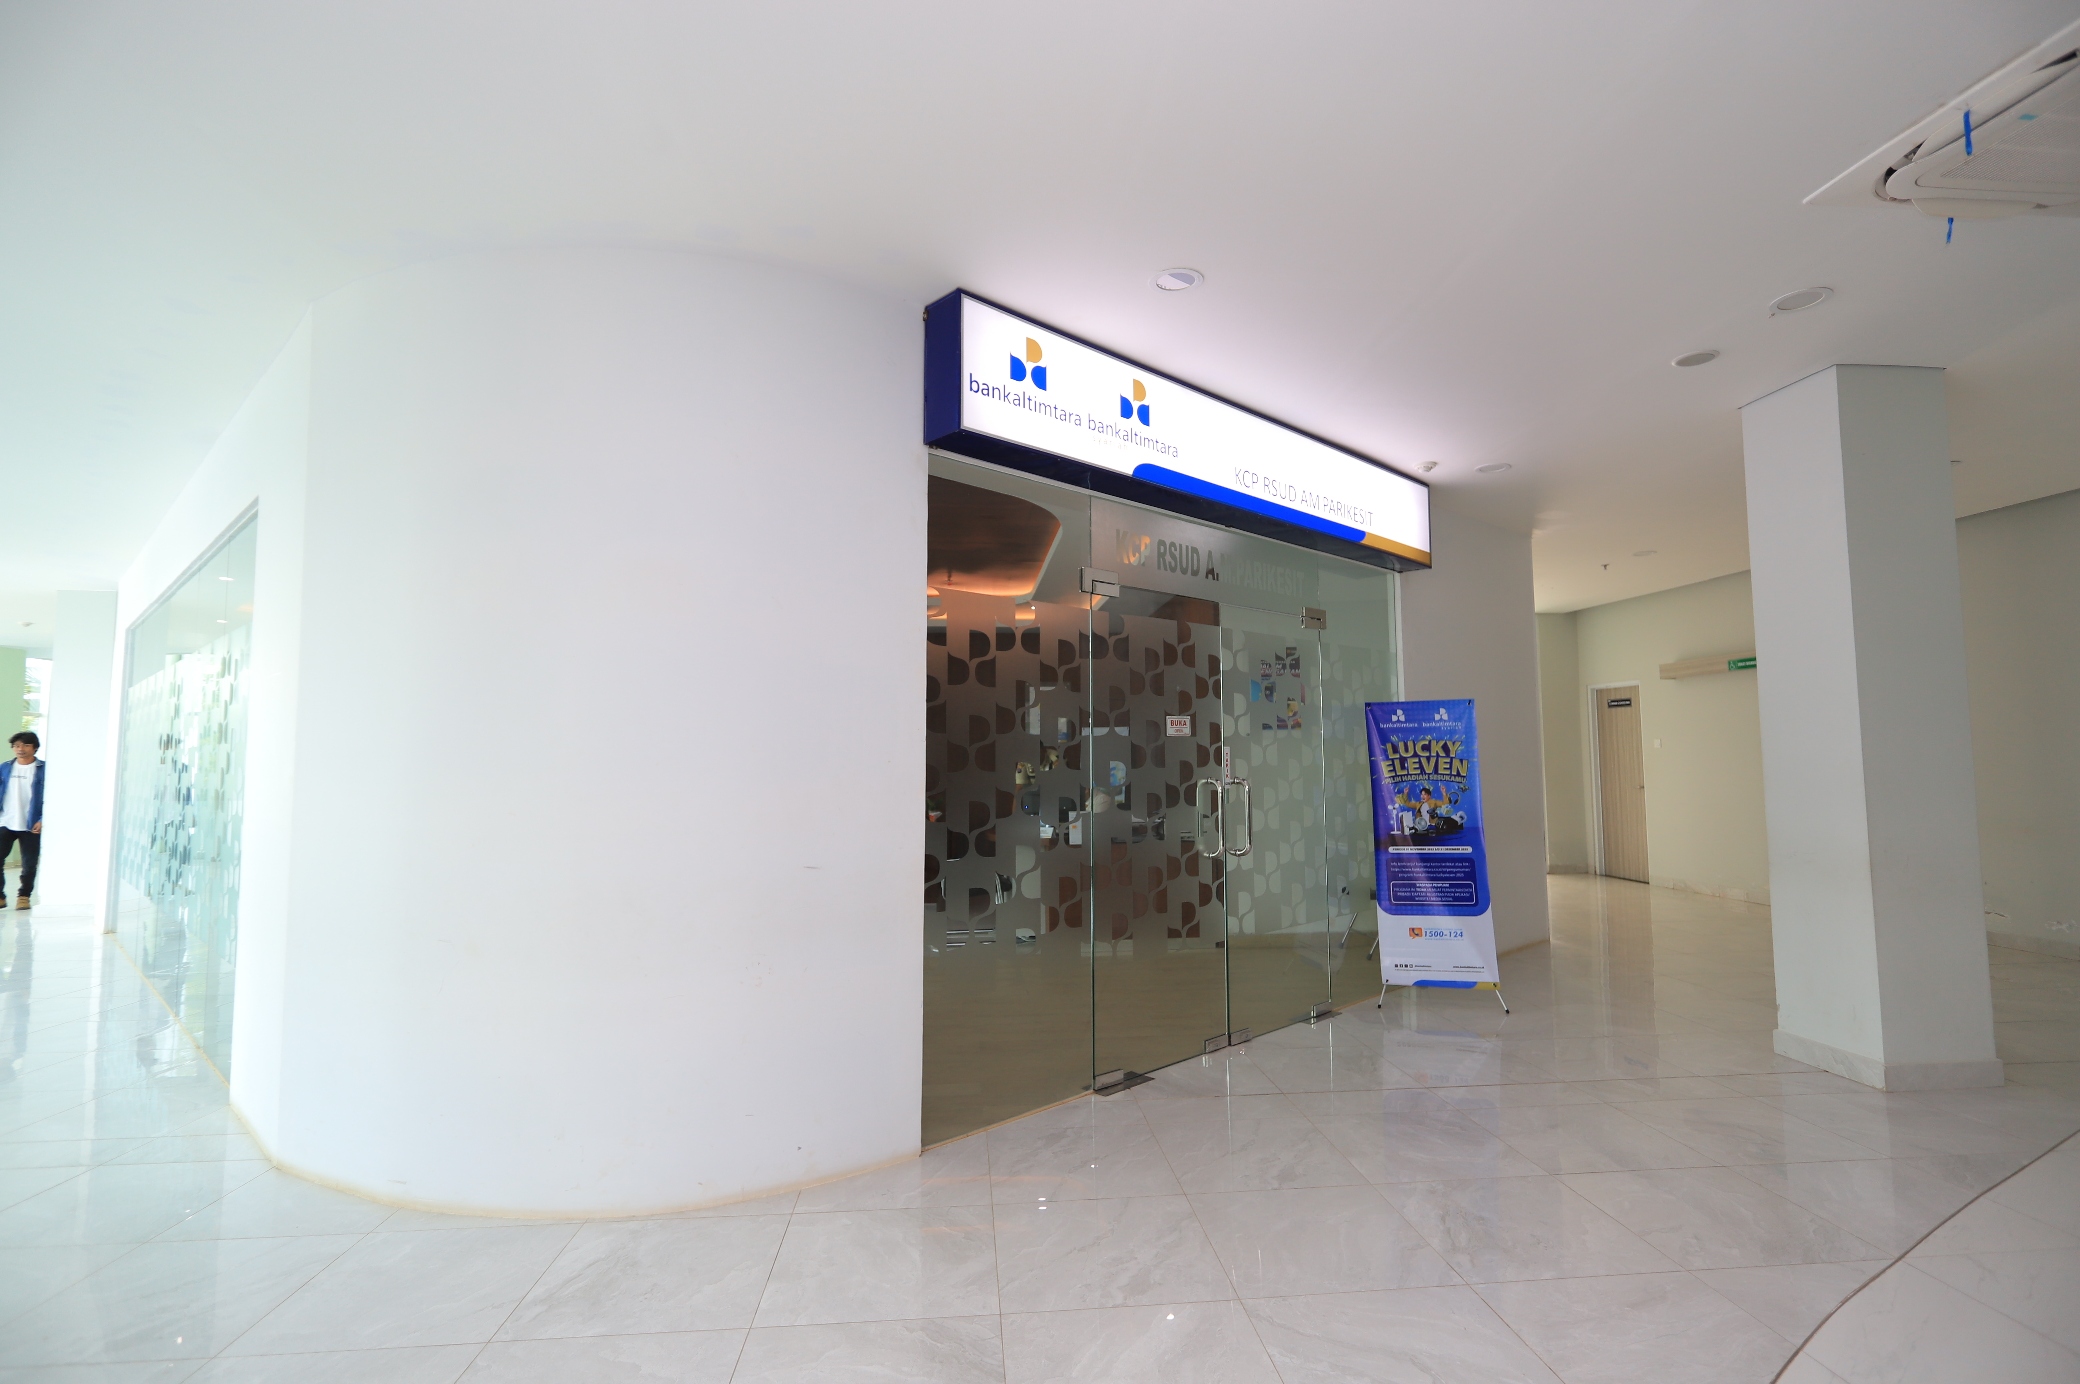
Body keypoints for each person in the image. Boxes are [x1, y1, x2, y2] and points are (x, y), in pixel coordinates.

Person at [0, 732, 44, 910]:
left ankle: (24, 896)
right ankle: (0, 897)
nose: (20, 749)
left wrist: (42, 819)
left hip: (31, 824)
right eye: (17, 745)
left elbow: (53, 795)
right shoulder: (5, 767)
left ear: (35, 748)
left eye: (26, 745)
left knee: (29, 863)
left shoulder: (44, 769)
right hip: (5, 821)